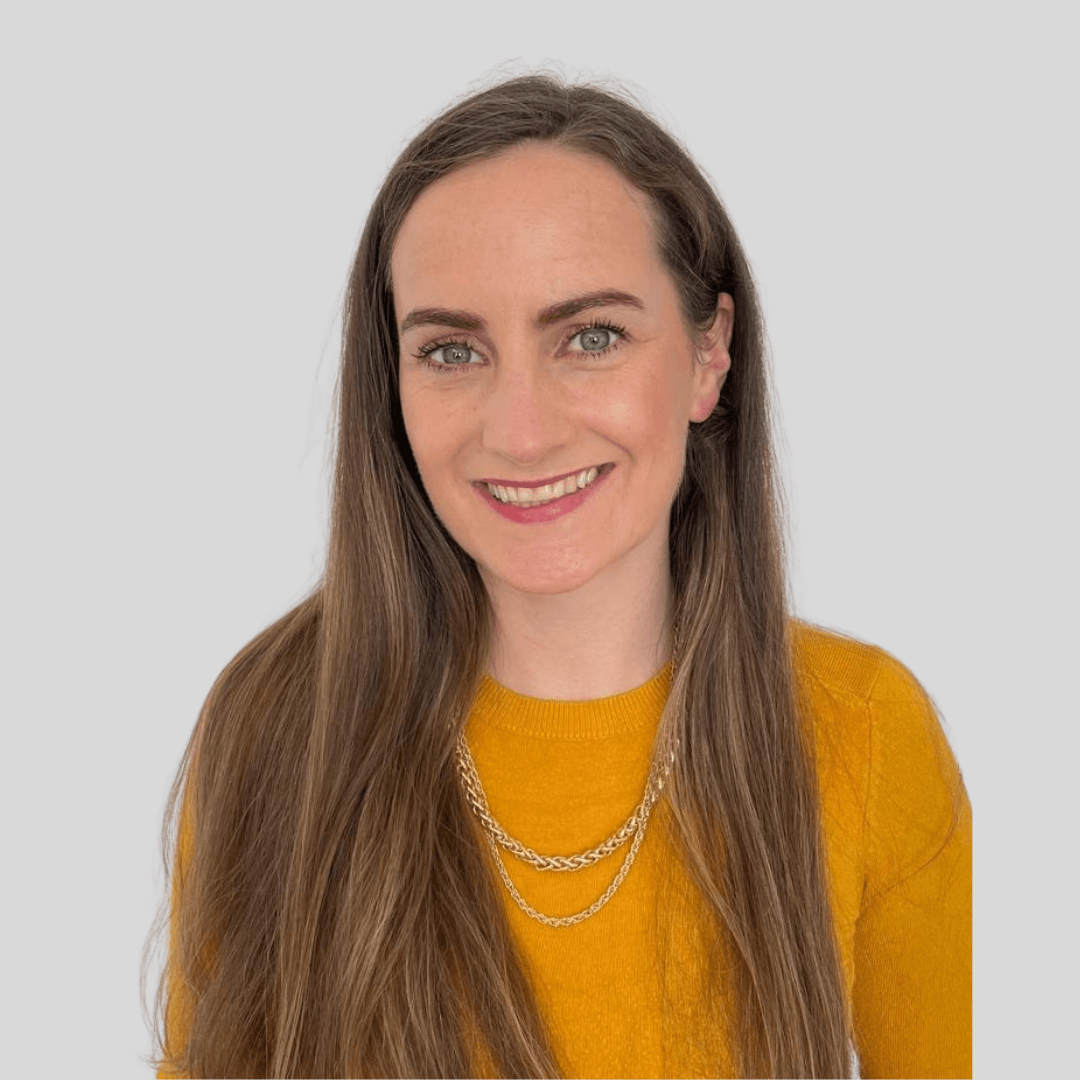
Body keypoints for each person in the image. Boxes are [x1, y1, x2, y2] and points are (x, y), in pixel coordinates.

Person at [148, 73, 972, 1079]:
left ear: (709, 355)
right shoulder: (276, 726)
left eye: (591, 337)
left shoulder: (864, 734)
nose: (523, 432)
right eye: (453, 351)